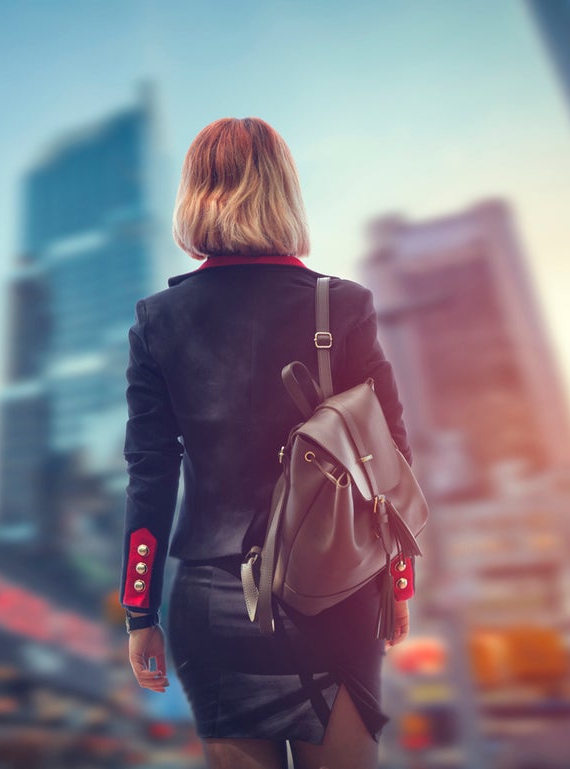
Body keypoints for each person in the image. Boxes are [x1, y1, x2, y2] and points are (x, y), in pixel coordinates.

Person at [118, 117, 415, 769]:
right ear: (283, 192)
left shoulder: (155, 323)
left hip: (213, 595)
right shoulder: (343, 306)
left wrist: (140, 609)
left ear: (196, 194)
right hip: (335, 589)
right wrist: (398, 583)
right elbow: (389, 462)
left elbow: (150, 475)